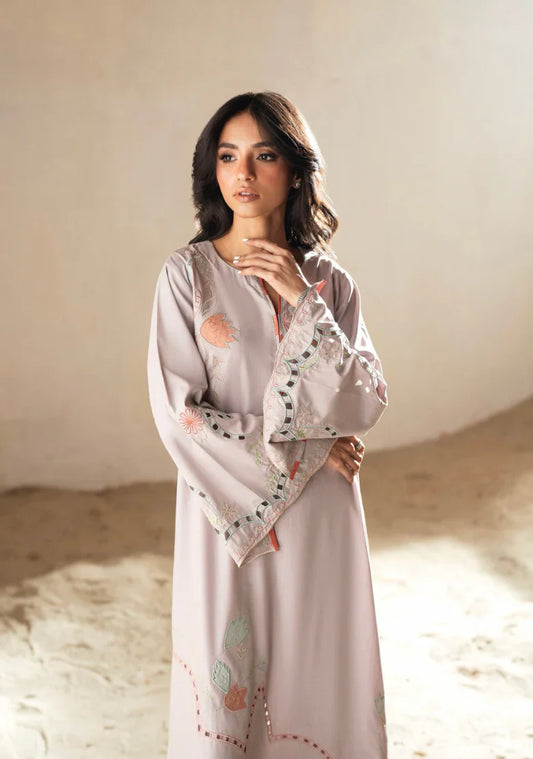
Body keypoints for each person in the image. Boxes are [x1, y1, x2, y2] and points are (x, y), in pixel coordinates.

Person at [147, 91, 389, 759]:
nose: (243, 174)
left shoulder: (330, 283)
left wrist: (299, 298)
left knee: (318, 672)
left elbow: (365, 397)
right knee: (229, 686)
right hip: (229, 520)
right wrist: (310, 449)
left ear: (295, 170)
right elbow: (180, 415)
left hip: (322, 521)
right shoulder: (187, 277)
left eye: (263, 155)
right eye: (228, 156)